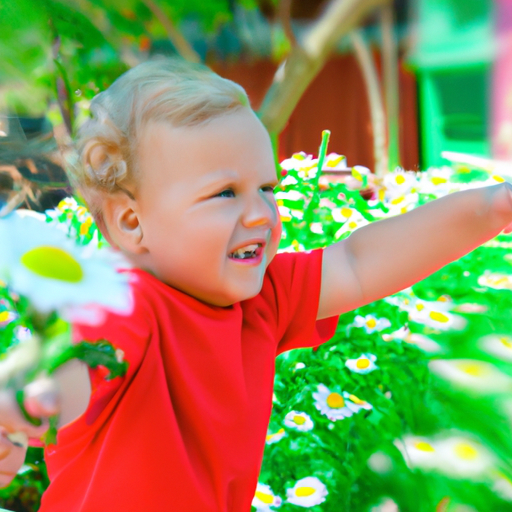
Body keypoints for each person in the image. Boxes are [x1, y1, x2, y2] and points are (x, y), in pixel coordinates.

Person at [2, 58, 512, 511]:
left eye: (267, 188)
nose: (262, 214)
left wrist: (494, 206)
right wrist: (28, 404)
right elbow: (77, 361)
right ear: (133, 223)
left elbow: (359, 262)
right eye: (225, 193)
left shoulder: (263, 297)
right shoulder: (127, 303)